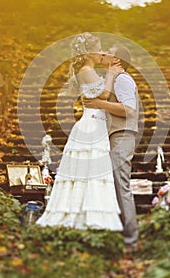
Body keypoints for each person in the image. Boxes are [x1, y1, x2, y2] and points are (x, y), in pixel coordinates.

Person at [37, 32, 123, 231]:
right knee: (89, 171)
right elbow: (104, 93)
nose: (101, 51)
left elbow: (100, 96)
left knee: (94, 172)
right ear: (87, 52)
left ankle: (91, 214)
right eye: (98, 48)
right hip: (91, 125)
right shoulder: (86, 70)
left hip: (97, 123)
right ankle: (80, 216)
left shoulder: (90, 70)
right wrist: (110, 74)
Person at [84, 44, 139, 251]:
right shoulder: (112, 80)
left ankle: (131, 241)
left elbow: (129, 109)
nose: (104, 54)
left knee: (121, 186)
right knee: (114, 186)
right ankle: (119, 236)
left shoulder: (123, 79)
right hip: (114, 135)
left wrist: (101, 105)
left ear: (117, 61)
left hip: (122, 135)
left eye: (109, 53)